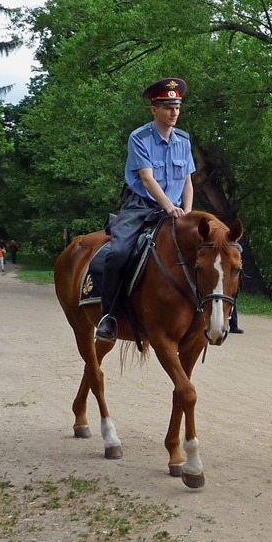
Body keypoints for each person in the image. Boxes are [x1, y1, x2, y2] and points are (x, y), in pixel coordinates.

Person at [95, 77, 196, 343]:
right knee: (118, 253)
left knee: (213, 250)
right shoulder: (139, 138)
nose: (174, 113)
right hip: (140, 206)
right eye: (167, 107)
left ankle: (205, 312)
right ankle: (109, 316)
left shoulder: (184, 140)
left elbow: (187, 180)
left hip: (175, 209)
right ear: (154, 109)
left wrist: (187, 211)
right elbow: (147, 179)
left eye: (177, 107)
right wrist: (170, 208)